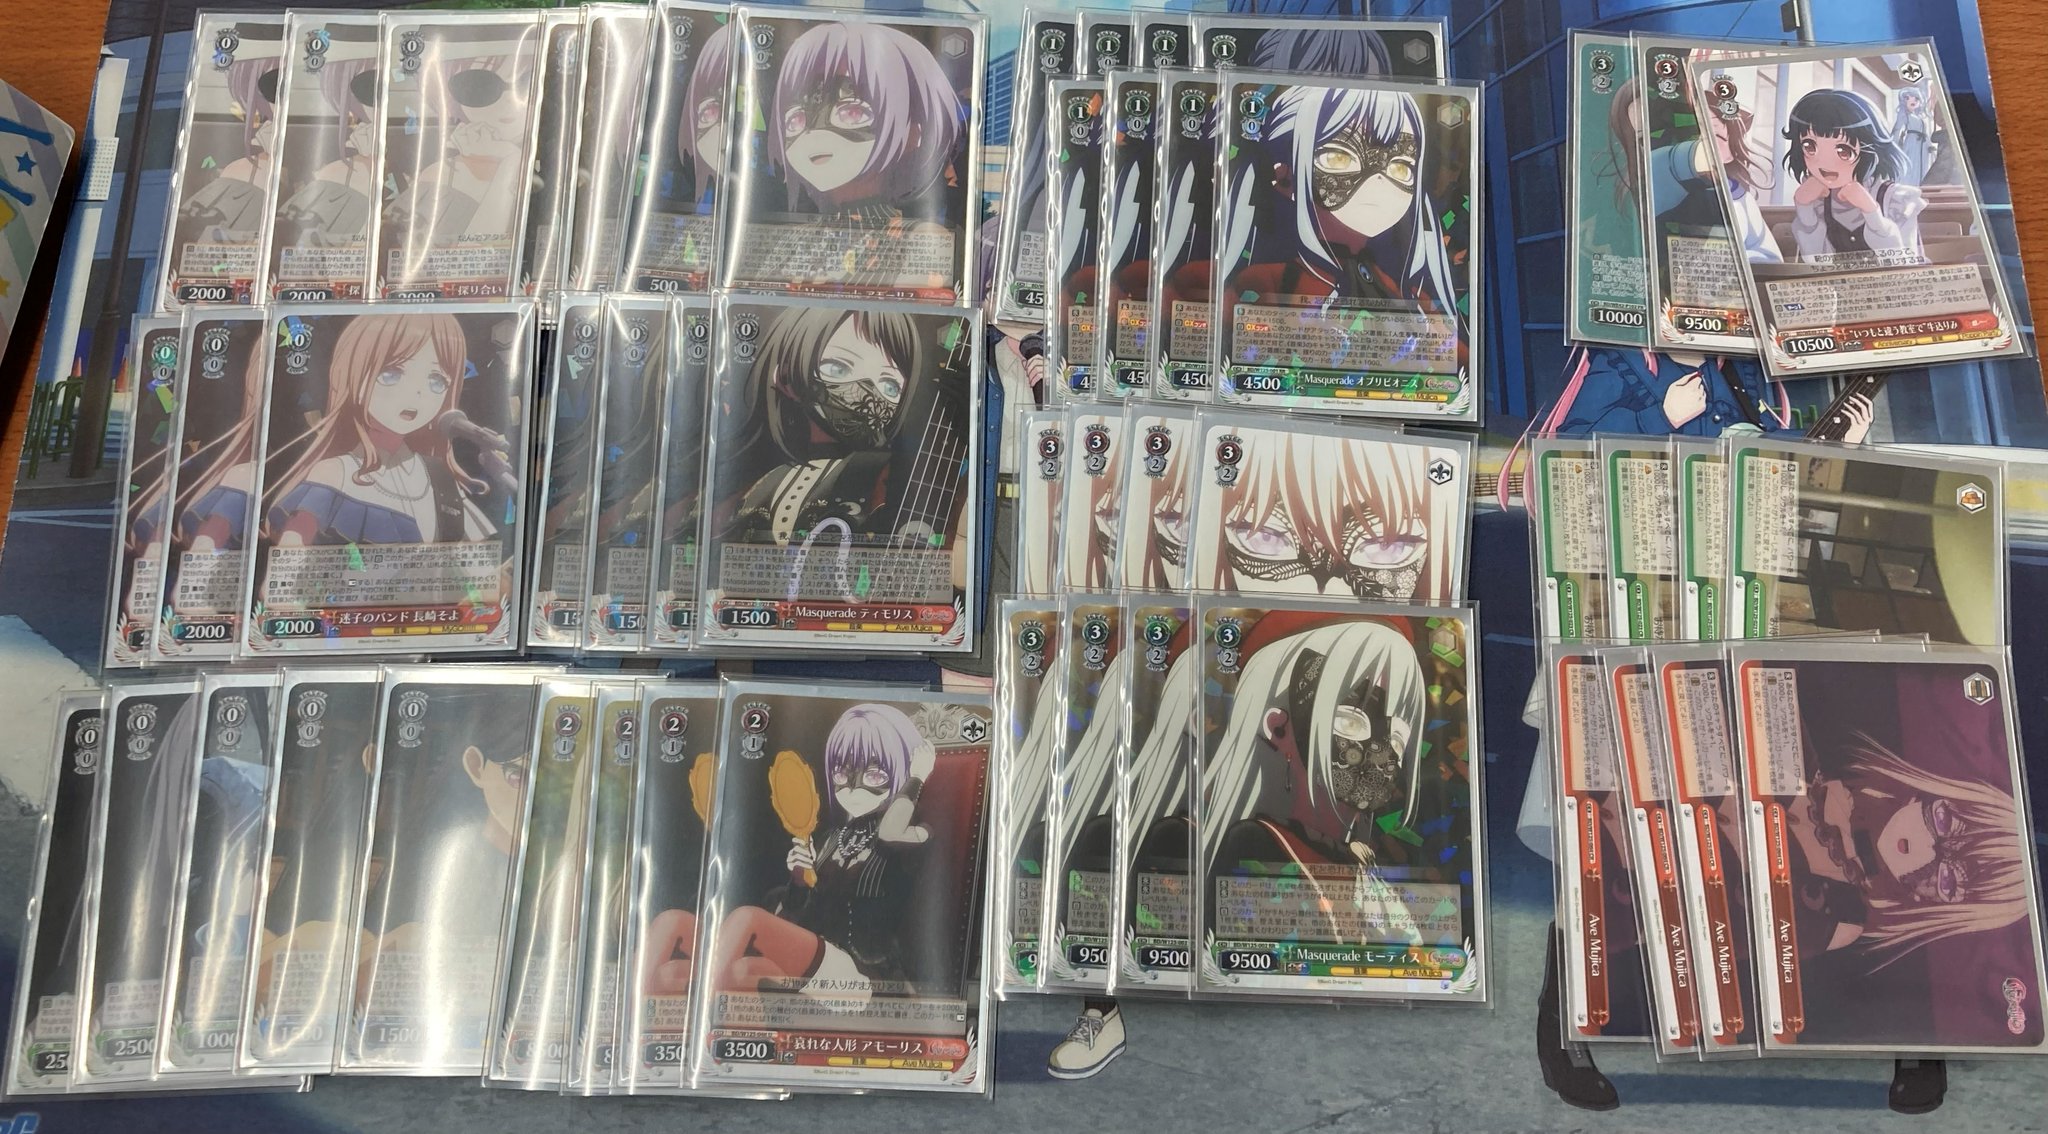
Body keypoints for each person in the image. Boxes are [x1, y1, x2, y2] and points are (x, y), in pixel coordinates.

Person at [714, 704, 938, 1006]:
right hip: (827, 965)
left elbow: (889, 832)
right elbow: (800, 920)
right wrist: (799, 882)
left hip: (873, 978)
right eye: (843, 772)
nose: (853, 787)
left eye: (874, 774)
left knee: (747, 919)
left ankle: (703, 1007)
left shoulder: (920, 831)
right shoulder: (833, 838)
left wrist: (917, 778)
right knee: (745, 971)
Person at [264, 313, 511, 548]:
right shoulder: (335, 473)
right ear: (354, 379)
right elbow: (291, 556)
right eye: (391, 374)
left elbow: (478, 566)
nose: (416, 392)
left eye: (436, 380)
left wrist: (503, 478)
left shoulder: (438, 475)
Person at [1782, 87, 1924, 262]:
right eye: (1810, 147)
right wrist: (1805, 210)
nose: (1824, 163)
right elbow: (1816, 264)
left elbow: (1906, 264)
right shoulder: (1818, 199)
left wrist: (1872, 213)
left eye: (1843, 150)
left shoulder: (1896, 199)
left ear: (1869, 149)